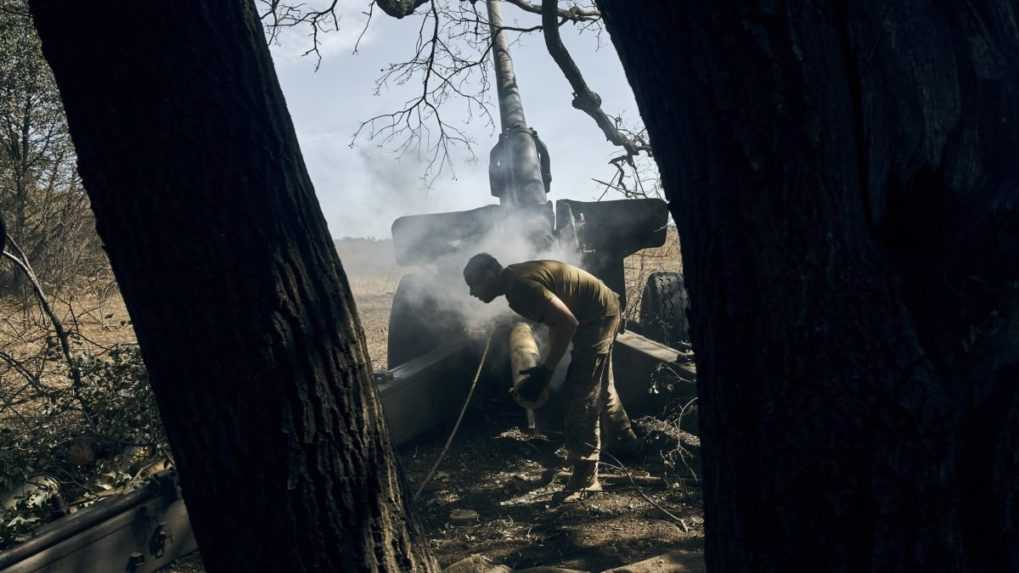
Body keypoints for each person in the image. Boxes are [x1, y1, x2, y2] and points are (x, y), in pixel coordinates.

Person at [463, 253, 640, 498]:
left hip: (597, 316)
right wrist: (546, 365)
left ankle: (585, 478)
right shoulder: (514, 278)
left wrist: (546, 371)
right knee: (599, 382)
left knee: (581, 393)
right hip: (602, 307)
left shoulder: (520, 288)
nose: (472, 292)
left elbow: (567, 323)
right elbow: (557, 322)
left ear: (490, 274)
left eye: (474, 283)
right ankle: (626, 442)